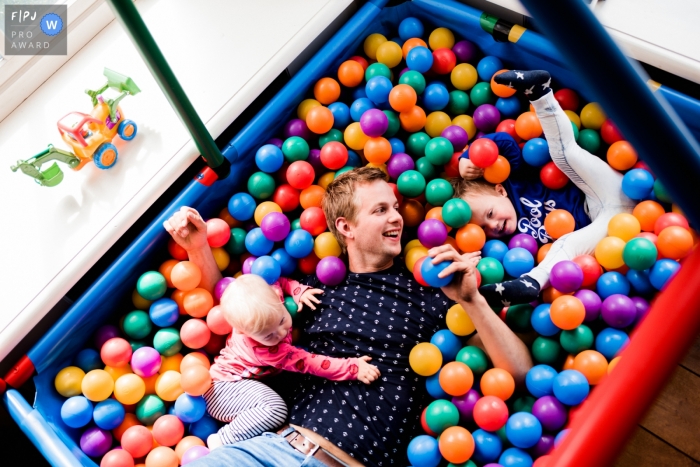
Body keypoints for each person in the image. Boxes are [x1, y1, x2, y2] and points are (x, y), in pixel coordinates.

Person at [164, 167, 532, 467]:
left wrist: (472, 301)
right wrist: (198, 248)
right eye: (380, 210)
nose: (396, 218)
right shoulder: (312, 291)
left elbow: (517, 373)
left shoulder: (434, 295)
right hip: (268, 450)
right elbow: (239, 313)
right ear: (345, 228)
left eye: (394, 207)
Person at [455, 70, 636, 309]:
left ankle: (539, 92)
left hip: (605, 190)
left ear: (500, 191)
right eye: (484, 229)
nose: (493, 226)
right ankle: (532, 283)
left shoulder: (517, 180)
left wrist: (468, 158)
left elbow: (505, 142)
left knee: (564, 154)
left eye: (489, 215)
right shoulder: (516, 244)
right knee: (566, 246)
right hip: (610, 231)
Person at [204, 273, 380, 449]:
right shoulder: (267, 351)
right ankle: (223, 439)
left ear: (277, 300)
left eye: (282, 320)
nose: (280, 333)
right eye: (268, 335)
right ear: (243, 332)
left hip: (239, 387)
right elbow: (312, 363)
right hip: (224, 392)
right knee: (276, 410)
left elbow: (280, 281)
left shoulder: (270, 298)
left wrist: (299, 292)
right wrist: (352, 368)